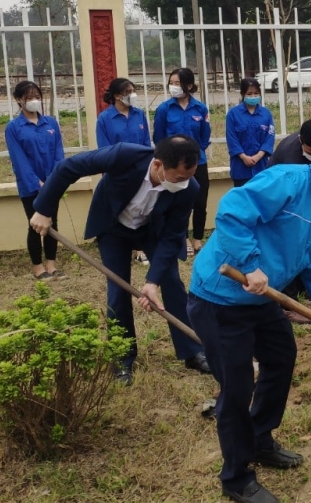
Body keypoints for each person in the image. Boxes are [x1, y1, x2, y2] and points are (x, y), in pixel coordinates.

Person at [187, 132, 311, 503]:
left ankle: (259, 437)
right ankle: (236, 476)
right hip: (220, 296)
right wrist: (250, 265)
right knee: (236, 387)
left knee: (281, 357)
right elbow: (232, 210)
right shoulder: (288, 180)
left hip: (260, 298)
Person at [29, 136, 211, 385]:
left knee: (172, 283)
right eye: (179, 177)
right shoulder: (126, 155)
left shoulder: (189, 188)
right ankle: (122, 358)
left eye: (189, 176)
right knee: (118, 290)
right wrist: (44, 208)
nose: (184, 183)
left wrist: (152, 281)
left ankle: (193, 351)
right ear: (158, 165)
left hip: (152, 230)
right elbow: (68, 167)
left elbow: (172, 237)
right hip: (113, 227)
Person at [5, 81, 65, 281]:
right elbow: (19, 160)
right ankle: (38, 267)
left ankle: (51, 264)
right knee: (35, 224)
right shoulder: (13, 127)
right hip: (30, 187)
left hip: (52, 183)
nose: (34, 101)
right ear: (19, 100)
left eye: (37, 97)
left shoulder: (51, 123)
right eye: (29, 98)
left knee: (52, 224)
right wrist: (37, 184)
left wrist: (54, 180)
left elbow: (58, 153)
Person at [153, 68, 210, 258]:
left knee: (200, 202)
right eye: (172, 82)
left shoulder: (200, 109)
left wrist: (195, 152)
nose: (174, 87)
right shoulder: (164, 109)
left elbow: (205, 135)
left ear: (189, 85)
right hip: (174, 165)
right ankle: (183, 238)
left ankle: (198, 239)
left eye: (178, 83)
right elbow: (159, 137)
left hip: (198, 161)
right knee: (179, 202)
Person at [96, 77, 152, 265]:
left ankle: (140, 248)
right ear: (117, 96)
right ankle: (120, 247)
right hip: (118, 172)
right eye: (128, 92)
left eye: (133, 91)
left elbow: (146, 143)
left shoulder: (139, 114)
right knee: (120, 210)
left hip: (140, 171)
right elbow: (105, 148)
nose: (132, 95)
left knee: (139, 209)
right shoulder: (104, 118)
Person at [226, 78, 275, 188]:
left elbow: (270, 137)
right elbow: (231, 139)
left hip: (261, 166)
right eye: (249, 93)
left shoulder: (266, 114)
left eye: (256, 93)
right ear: (243, 94)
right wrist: (244, 157)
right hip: (240, 167)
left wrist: (258, 156)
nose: (253, 96)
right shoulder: (233, 114)